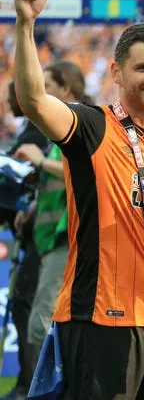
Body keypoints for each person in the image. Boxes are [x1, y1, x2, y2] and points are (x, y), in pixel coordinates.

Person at [13, 0, 144, 399]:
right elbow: (34, 100)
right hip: (98, 320)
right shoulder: (92, 126)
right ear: (116, 72)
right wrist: (24, 25)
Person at [13, 61, 90, 373]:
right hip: (53, 238)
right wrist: (32, 210)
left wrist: (41, 161)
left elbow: (84, 172)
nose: (40, 92)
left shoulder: (83, 125)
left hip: (67, 238)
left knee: (41, 321)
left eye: (47, 86)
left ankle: (52, 387)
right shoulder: (64, 127)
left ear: (66, 89)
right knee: (51, 320)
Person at [0, 81, 48, 400]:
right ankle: (29, 380)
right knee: (25, 306)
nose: (6, 100)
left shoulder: (35, 135)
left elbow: (29, 184)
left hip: (39, 237)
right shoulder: (34, 131)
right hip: (35, 235)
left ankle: (29, 383)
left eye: (10, 95)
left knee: (27, 307)